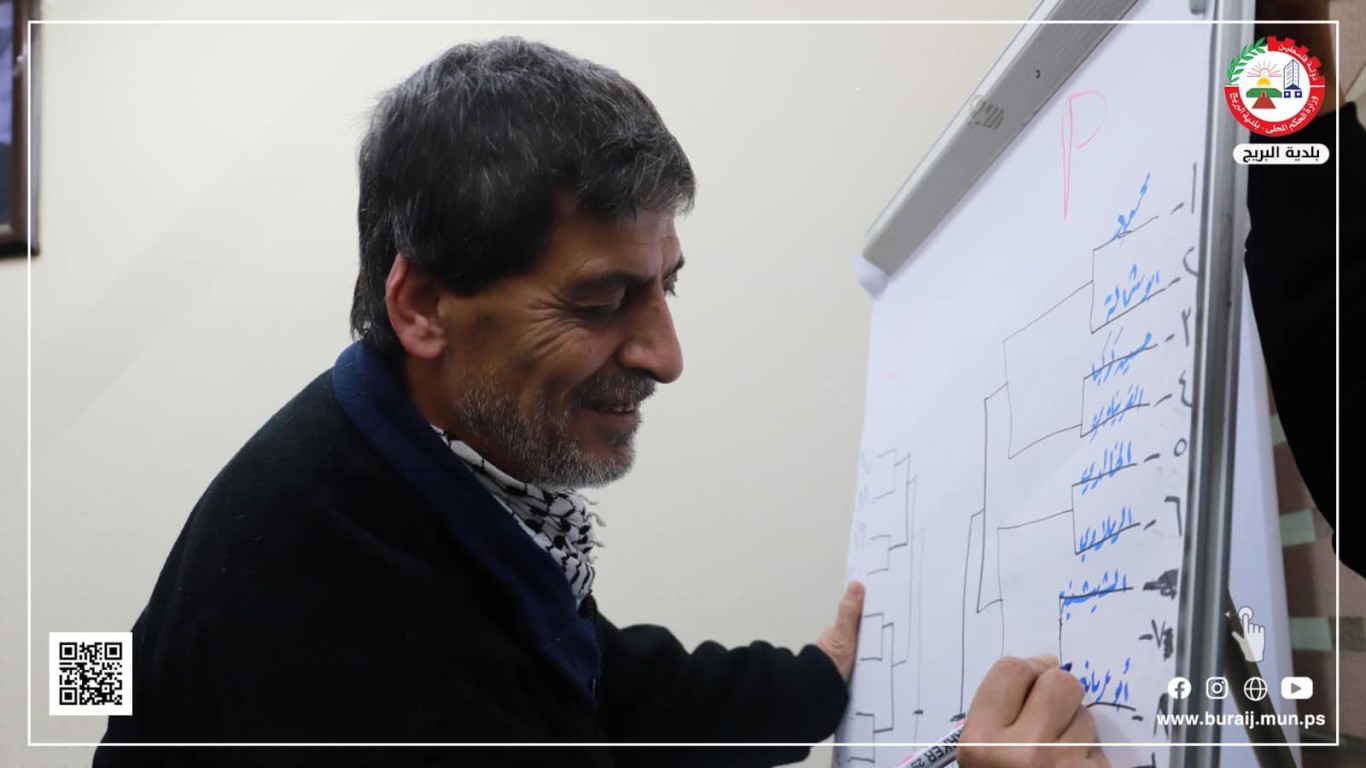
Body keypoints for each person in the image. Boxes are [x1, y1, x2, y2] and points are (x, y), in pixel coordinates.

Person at [94, 37, 1106, 767]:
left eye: (666, 287)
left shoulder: (423, 465)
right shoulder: (346, 626)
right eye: (599, 302)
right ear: (424, 307)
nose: (666, 355)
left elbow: (593, 674)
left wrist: (813, 681)